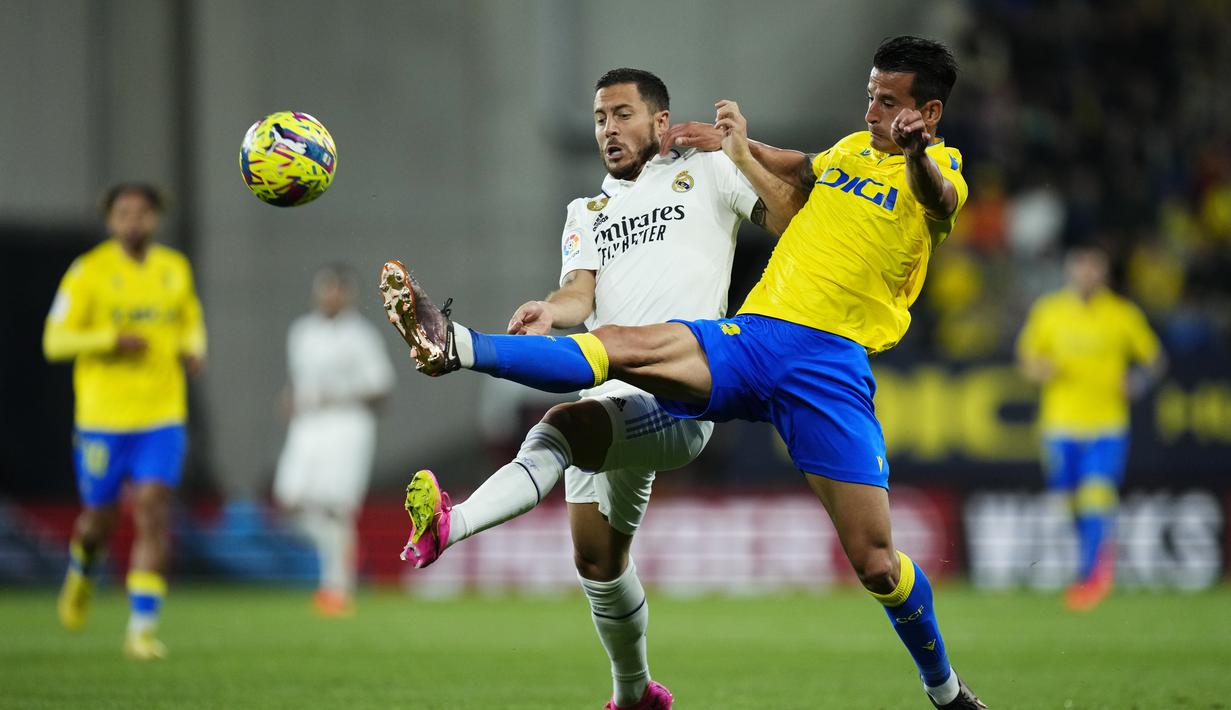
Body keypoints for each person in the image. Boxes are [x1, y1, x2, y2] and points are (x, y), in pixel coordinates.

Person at [381, 37, 987, 709]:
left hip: (829, 365)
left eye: (889, 103)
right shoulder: (843, 150)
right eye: (870, 97)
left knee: (875, 562)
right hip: (755, 336)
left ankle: (946, 691)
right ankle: (455, 345)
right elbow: (803, 167)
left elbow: (932, 198)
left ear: (927, 113)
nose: (874, 112)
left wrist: (908, 153)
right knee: (613, 361)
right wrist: (741, 144)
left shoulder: (938, 167)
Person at [391, 68, 765, 710]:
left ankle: (449, 525)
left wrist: (744, 150)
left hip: (679, 395)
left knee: (556, 429)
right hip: (611, 394)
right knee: (598, 564)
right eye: (599, 118)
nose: (608, 130)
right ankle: (635, 695)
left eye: (623, 114)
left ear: (660, 122)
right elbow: (579, 293)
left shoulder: (705, 173)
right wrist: (549, 310)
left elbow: (783, 210)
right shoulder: (586, 211)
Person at [43, 183, 206, 660]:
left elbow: (190, 319)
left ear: (155, 219)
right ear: (110, 219)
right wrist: (109, 338)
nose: (133, 220)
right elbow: (55, 341)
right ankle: (81, 571)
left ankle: (141, 629)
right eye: (124, 212)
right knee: (100, 519)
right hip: (102, 419)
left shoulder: (174, 269)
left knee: (154, 508)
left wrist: (195, 347)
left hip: (162, 415)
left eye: (142, 212)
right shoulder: (89, 271)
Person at [1017, 245, 1165, 611]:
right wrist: (1041, 370)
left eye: (1093, 270)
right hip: (1060, 424)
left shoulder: (1122, 314)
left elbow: (1155, 360)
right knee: (1067, 502)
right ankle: (1096, 559)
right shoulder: (1049, 311)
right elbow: (1026, 359)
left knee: (1096, 495)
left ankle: (1091, 577)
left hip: (1106, 425)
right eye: (1081, 269)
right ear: (1071, 273)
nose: (1086, 276)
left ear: (1103, 275)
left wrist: (1138, 382)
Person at [274, 264, 396, 617]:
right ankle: (340, 558)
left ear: (348, 294)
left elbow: (382, 390)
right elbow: (300, 380)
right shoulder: (302, 332)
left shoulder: (360, 335)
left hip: (347, 426)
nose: (330, 296)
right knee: (291, 500)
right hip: (307, 426)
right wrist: (291, 397)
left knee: (336, 508)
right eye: (325, 288)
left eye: (337, 289)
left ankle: (337, 587)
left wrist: (338, 396)